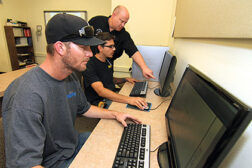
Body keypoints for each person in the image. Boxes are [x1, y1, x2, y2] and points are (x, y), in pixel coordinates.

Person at [2, 14, 141, 168]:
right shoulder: (25, 95)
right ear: (60, 47)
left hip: (72, 145)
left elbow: (85, 108)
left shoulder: (71, 76)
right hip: (53, 162)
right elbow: (25, 164)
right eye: (83, 47)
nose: (90, 53)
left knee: (121, 148)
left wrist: (115, 114)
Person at [82, 32, 148, 110]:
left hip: (110, 96)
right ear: (100, 48)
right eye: (110, 46)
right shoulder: (89, 65)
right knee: (130, 109)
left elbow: (108, 80)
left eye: (114, 46)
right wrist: (129, 100)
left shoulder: (108, 60)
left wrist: (125, 79)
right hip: (100, 102)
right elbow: (101, 91)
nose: (114, 49)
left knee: (138, 103)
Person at [89, 5, 155, 79]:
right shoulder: (96, 21)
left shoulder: (123, 34)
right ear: (114, 14)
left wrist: (144, 68)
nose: (123, 25)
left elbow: (133, 51)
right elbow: (83, 41)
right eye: (122, 21)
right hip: (90, 67)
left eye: (125, 23)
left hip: (107, 69)